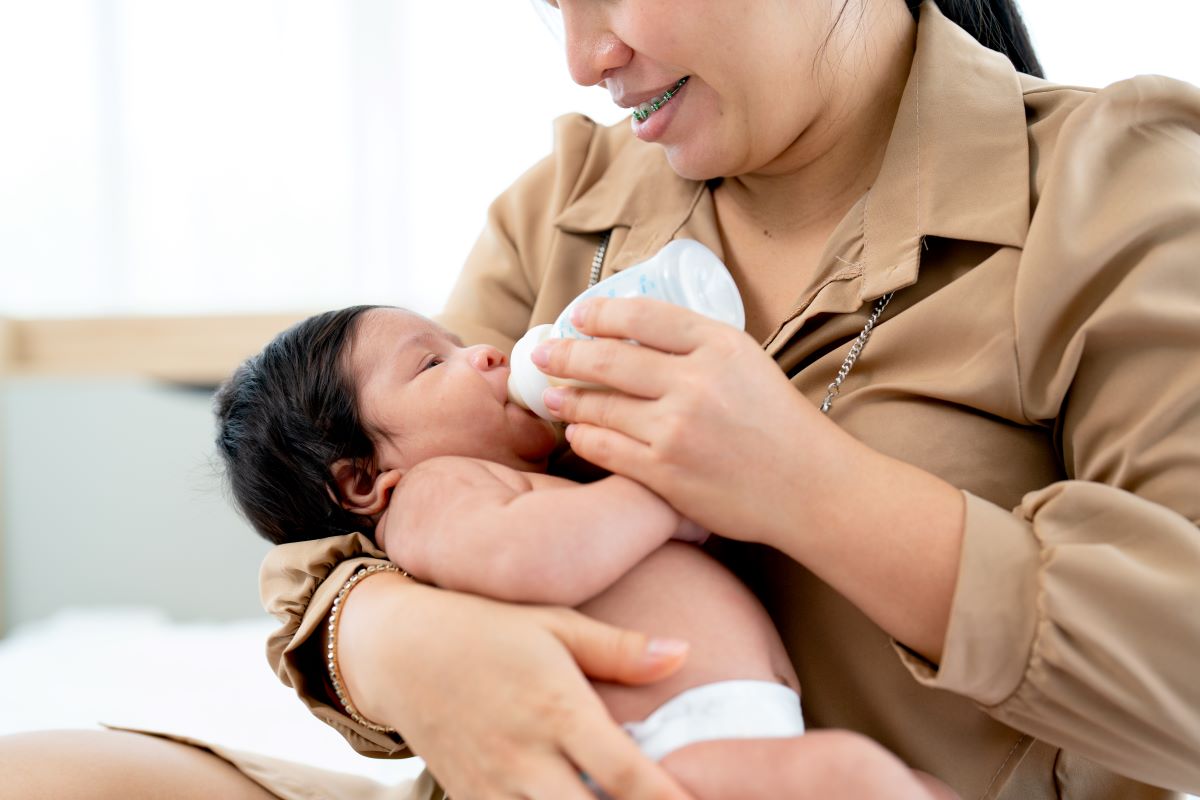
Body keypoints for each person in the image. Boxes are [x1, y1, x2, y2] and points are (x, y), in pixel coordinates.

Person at [3, 0, 1198, 797]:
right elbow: (334, 522)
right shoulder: (567, 204)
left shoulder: (1110, 189)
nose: (585, 55)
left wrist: (807, 485)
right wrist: (403, 645)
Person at [210, 302, 957, 799]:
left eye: (458, 343)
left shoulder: (523, 477)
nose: (486, 355)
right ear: (364, 480)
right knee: (856, 778)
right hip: (646, 760)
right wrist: (663, 494)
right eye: (432, 364)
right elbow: (529, 560)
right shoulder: (434, 495)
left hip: (729, 733)